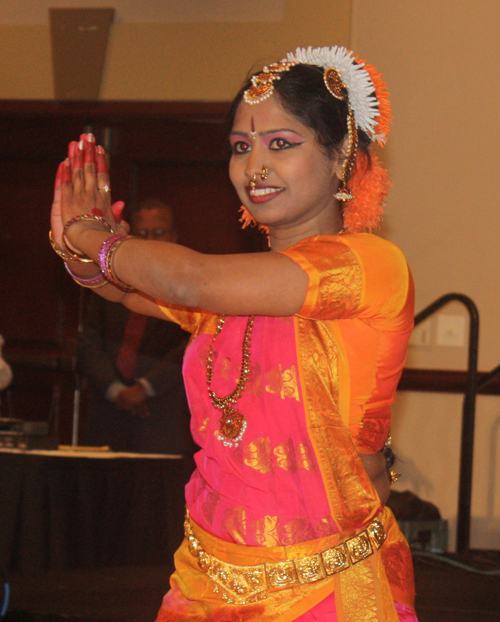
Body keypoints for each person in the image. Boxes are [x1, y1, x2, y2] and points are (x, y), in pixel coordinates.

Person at [50, 45, 417, 621]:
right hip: (208, 580)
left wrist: (98, 239)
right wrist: (76, 245)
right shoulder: (237, 291)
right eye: (242, 148)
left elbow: (189, 281)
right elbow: (126, 290)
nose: (255, 168)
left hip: (323, 586)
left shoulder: (367, 266)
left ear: (343, 154)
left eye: (282, 144)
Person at [78, 200, 194, 454]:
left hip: (163, 413)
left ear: (174, 236)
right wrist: (117, 390)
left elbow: (190, 346)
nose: (150, 239)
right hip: (107, 409)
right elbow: (89, 340)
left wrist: (145, 388)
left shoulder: (190, 285)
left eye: (159, 233)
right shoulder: (109, 280)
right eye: (142, 234)